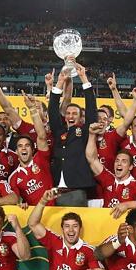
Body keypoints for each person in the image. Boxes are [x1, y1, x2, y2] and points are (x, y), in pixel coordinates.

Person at [48, 61, 98, 206]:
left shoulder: (84, 131)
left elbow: (91, 111)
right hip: (56, 189)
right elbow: (52, 111)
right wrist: (59, 84)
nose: (70, 116)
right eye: (68, 113)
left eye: (74, 113)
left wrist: (84, 79)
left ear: (80, 117)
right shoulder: (59, 130)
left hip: (77, 189)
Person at [87, 123, 136, 218]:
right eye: (117, 161)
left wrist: (127, 205)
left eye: (124, 161)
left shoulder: (135, 184)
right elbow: (92, 159)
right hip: (104, 226)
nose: (119, 164)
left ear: (130, 167)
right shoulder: (108, 178)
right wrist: (91, 134)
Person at [8, 92, 54, 206]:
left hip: (53, 211)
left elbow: (42, 136)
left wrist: (32, 109)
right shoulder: (13, 177)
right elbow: (15, 199)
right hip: (33, 217)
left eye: (27, 145)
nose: (24, 148)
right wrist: (20, 204)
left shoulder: (41, 159)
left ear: (33, 149)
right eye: (20, 146)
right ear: (16, 152)